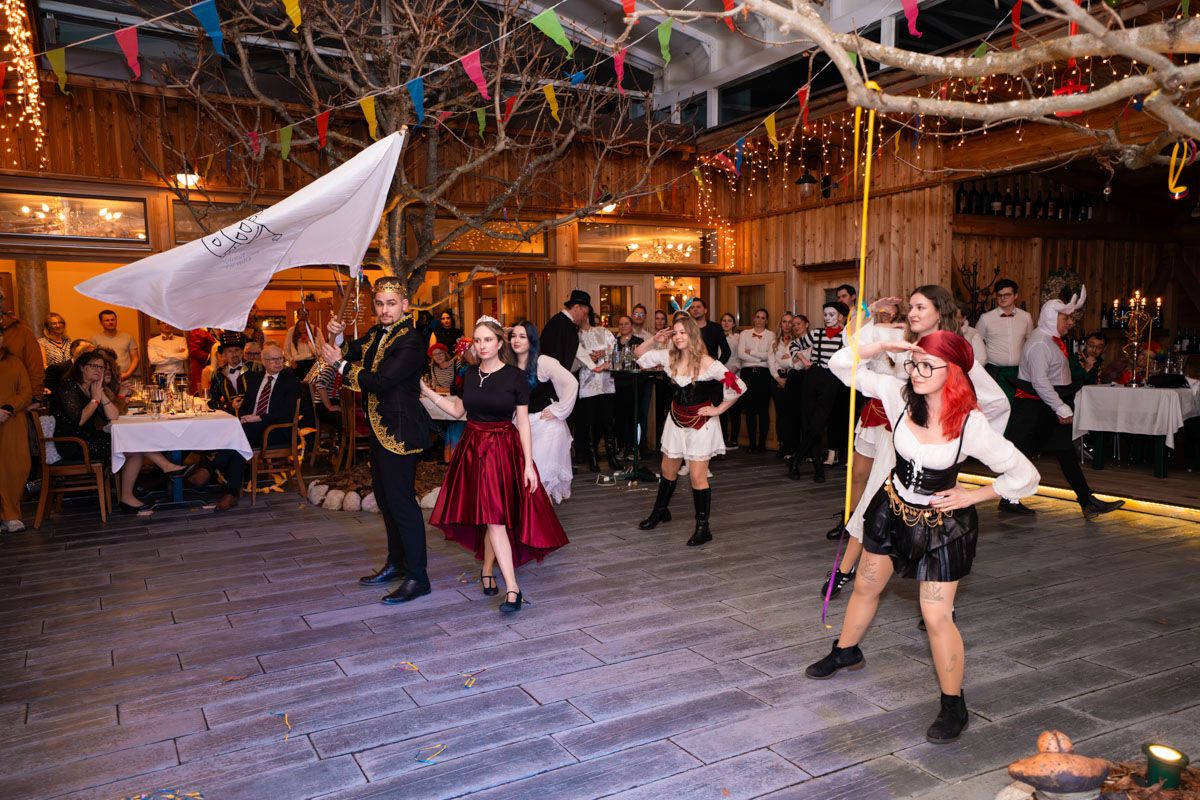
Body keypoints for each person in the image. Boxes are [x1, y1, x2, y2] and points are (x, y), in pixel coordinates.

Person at [806, 330, 1040, 745]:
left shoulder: (970, 423)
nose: (916, 372)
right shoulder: (898, 395)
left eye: (928, 366)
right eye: (915, 363)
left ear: (954, 372)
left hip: (941, 528)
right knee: (865, 586)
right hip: (892, 509)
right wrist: (882, 347)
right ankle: (846, 650)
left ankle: (954, 704)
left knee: (936, 616)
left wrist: (974, 495)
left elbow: (1025, 475)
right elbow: (841, 365)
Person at [823, 287, 1010, 599]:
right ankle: (844, 570)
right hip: (896, 441)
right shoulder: (899, 338)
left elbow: (996, 402)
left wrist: (959, 448)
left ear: (940, 311)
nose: (912, 313)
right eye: (910, 307)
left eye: (920, 308)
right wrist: (871, 313)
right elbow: (849, 347)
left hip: (931, 455)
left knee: (936, 524)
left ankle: (940, 599)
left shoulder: (955, 352)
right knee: (873, 505)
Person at [424, 318, 569, 612]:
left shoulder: (516, 377)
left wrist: (528, 465)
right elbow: (456, 410)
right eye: (477, 340)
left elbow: (523, 424)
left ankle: (513, 589)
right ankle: (488, 570)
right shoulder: (469, 374)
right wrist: (425, 391)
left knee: (495, 517)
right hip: (472, 450)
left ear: (500, 343)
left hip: (502, 450)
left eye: (488, 340)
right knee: (491, 516)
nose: (482, 345)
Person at [320, 277, 434, 604]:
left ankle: (418, 577)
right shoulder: (376, 333)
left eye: (391, 304)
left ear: (405, 305)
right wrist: (337, 334)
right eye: (380, 304)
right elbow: (351, 349)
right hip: (380, 430)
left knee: (402, 503)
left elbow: (381, 382)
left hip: (399, 432)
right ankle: (397, 563)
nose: (385, 310)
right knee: (386, 500)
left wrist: (339, 364)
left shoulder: (410, 341)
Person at [1009, 287, 1124, 519]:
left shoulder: (1050, 340)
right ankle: (1009, 498)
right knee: (1023, 454)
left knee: (1064, 453)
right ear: (1051, 318)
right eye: (1065, 318)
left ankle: (1087, 501)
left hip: (1047, 405)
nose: (1070, 322)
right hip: (1037, 407)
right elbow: (1040, 383)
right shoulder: (1040, 344)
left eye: (1070, 318)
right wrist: (1061, 408)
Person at [633, 316, 745, 547]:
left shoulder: (706, 362)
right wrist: (654, 340)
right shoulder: (669, 356)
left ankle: (703, 528)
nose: (678, 337)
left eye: (683, 332)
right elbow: (639, 356)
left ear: (693, 334)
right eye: (675, 333)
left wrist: (718, 409)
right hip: (675, 420)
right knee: (667, 469)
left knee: (696, 476)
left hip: (701, 424)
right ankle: (660, 512)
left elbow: (738, 385)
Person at [54, 350, 191, 513]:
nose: (99, 370)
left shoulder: (93, 388)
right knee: (132, 444)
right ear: (81, 367)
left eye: (101, 367)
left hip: (91, 438)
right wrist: (95, 399)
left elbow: (113, 416)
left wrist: (101, 395)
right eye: (94, 366)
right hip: (74, 443)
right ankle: (164, 467)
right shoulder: (68, 386)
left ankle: (130, 495)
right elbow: (79, 420)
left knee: (134, 446)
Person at [190, 343, 300, 511]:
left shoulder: (289, 380)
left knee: (239, 435)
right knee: (239, 443)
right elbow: (246, 406)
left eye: (280, 358)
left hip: (277, 429)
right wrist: (243, 417)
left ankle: (209, 468)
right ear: (264, 361)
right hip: (252, 429)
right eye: (273, 359)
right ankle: (231, 494)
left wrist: (259, 417)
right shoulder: (256, 379)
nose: (278, 362)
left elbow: (286, 413)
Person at [511, 321, 578, 503]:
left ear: (532, 340)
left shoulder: (543, 361)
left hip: (546, 426)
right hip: (522, 426)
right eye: (513, 336)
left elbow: (571, 383)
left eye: (522, 336)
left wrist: (559, 409)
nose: (516, 340)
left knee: (539, 480)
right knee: (524, 479)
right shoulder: (510, 364)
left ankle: (544, 519)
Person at [788, 301, 849, 482]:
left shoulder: (846, 337)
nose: (827, 318)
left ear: (840, 317)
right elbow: (793, 345)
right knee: (809, 423)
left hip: (832, 380)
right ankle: (818, 468)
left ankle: (795, 458)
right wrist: (804, 360)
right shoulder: (816, 333)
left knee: (818, 426)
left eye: (832, 315)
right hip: (813, 377)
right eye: (825, 315)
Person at [575, 308, 622, 472]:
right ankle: (592, 458)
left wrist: (605, 353)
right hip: (587, 384)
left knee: (608, 421)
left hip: (606, 382)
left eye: (584, 312)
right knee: (590, 422)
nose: (582, 316)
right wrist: (587, 359)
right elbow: (572, 360)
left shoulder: (603, 331)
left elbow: (617, 351)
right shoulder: (575, 336)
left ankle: (611, 456)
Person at [975, 279, 1032, 398]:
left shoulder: (1026, 317)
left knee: (1017, 405)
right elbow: (976, 343)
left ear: (1015, 296)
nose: (1003, 298)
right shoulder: (985, 318)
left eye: (1007, 295)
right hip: (994, 372)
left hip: (1019, 372)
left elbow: (1030, 342)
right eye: (999, 295)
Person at [0, 327, 31, 532]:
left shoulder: (14, 362)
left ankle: (10, 514)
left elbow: (26, 391)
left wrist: (8, 407)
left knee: (16, 465)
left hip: (11, 419)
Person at [736, 308, 775, 454]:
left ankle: (762, 444)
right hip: (747, 374)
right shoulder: (744, 334)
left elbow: (769, 356)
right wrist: (760, 358)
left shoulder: (771, 335)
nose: (759, 320)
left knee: (763, 410)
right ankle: (752, 443)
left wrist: (751, 352)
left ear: (767, 321)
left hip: (764, 374)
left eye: (763, 318)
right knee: (750, 409)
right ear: (753, 318)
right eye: (757, 317)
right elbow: (741, 354)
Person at [0, 288, 45, 400]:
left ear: (1, 302)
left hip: (15, 401)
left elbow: (35, 368)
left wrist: (36, 398)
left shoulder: (21, 331)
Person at [612, 315, 644, 457]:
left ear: (631, 326)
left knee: (634, 417)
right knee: (619, 417)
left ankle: (634, 448)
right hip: (617, 385)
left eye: (626, 323)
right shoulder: (613, 342)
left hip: (634, 384)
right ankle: (621, 447)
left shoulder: (639, 342)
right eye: (621, 324)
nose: (623, 326)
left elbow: (644, 361)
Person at [773, 312, 802, 461]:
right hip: (777, 380)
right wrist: (778, 379)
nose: (787, 325)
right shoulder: (774, 342)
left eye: (790, 322)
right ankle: (782, 445)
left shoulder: (798, 341)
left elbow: (796, 362)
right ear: (780, 324)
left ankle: (794, 447)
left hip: (793, 380)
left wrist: (787, 360)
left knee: (793, 414)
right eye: (784, 321)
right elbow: (772, 362)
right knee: (781, 415)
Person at [540, 290, 590, 371]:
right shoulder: (567, 326)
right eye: (584, 314)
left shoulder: (557, 320)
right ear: (576, 307)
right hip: (554, 374)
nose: (584, 318)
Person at [91, 309, 140, 384]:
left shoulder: (128, 337)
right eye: (107, 320)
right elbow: (93, 361)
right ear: (101, 322)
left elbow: (135, 358)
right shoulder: (94, 339)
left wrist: (127, 374)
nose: (110, 322)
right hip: (104, 381)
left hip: (126, 379)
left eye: (113, 320)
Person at [208, 333, 250, 414]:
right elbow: (212, 402)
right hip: (231, 416)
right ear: (224, 355)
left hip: (253, 414)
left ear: (242, 352)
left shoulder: (254, 368)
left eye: (237, 350)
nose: (234, 354)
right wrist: (230, 405)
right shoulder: (218, 374)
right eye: (230, 351)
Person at [719, 312, 741, 450]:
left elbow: (740, 357)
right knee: (721, 409)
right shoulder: (717, 336)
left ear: (733, 324)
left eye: (729, 321)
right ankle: (722, 439)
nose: (726, 323)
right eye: (724, 320)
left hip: (733, 374)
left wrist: (732, 372)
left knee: (734, 409)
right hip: (718, 376)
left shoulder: (738, 338)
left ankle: (733, 440)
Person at [687, 297, 731, 363]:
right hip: (691, 366)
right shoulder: (686, 329)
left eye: (698, 307)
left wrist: (716, 366)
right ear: (689, 311)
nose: (695, 309)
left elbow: (726, 352)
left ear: (705, 310)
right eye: (692, 308)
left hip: (710, 366)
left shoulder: (716, 328)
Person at [284, 307, 319, 378]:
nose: (303, 327)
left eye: (305, 314)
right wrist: (310, 355)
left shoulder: (313, 336)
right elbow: (294, 356)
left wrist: (309, 342)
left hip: (312, 365)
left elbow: (317, 353)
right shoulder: (294, 340)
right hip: (299, 366)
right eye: (301, 314)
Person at [187, 328, 218, 393]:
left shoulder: (216, 330)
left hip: (215, 366)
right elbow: (194, 351)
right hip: (201, 367)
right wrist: (211, 357)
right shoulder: (198, 331)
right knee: (203, 392)